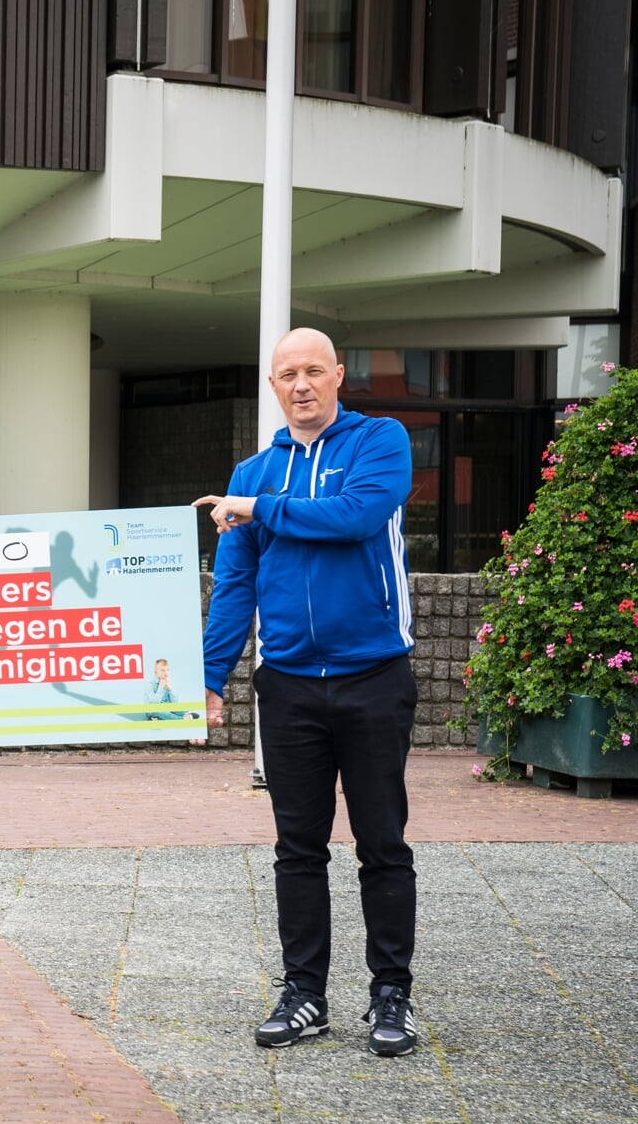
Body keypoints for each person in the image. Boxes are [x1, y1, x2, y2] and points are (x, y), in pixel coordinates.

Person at [195, 327, 421, 1057]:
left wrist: (256, 507)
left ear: (338, 376)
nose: (301, 385)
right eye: (287, 374)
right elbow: (234, 584)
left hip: (374, 677)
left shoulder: (379, 442)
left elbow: (355, 519)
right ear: (272, 385)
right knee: (298, 848)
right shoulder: (255, 468)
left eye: (313, 371)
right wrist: (206, 678)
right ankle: (305, 996)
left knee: (382, 844)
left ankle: (391, 998)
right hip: (288, 685)